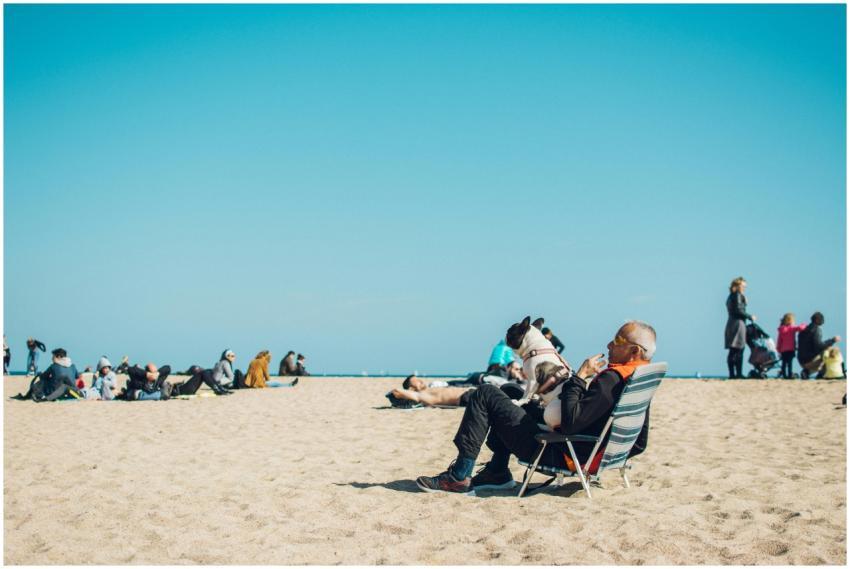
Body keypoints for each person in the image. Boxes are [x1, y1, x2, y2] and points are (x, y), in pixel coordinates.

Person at [415, 321, 656, 495]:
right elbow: (640, 442)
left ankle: (458, 476)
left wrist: (580, 377)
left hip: (560, 450)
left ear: (634, 350)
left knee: (485, 393)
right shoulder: (639, 377)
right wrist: (612, 453)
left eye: (618, 341)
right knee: (510, 392)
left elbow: (571, 422)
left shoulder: (610, 380)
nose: (609, 344)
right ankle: (498, 472)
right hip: (585, 449)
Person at [13, 348, 83, 402]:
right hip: (71, 391)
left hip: (54, 392)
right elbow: (77, 377)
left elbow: (43, 377)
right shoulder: (73, 366)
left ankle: (27, 397)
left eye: (53, 356)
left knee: (42, 382)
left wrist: (40, 374)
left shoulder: (54, 366)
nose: (52, 358)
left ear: (58, 357)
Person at [725, 277, 755, 379]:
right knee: (739, 349)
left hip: (731, 322)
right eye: (743, 286)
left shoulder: (730, 296)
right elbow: (738, 310)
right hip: (738, 323)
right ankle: (738, 373)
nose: (744, 288)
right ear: (737, 286)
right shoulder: (737, 295)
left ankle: (732, 374)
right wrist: (750, 316)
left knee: (733, 349)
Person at [797, 312, 841, 379]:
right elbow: (819, 346)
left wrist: (829, 341)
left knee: (824, 350)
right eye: (822, 319)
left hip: (801, 361)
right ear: (817, 320)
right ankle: (822, 374)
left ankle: (807, 372)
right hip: (810, 361)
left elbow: (815, 344)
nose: (823, 321)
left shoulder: (804, 330)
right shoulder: (816, 330)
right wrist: (833, 340)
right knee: (828, 352)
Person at [776, 313, 807, 379]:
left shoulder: (781, 329)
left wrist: (778, 349)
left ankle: (784, 375)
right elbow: (800, 328)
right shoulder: (792, 328)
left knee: (784, 363)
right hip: (790, 349)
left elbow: (779, 340)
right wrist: (804, 324)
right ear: (790, 321)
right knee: (790, 363)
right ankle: (789, 375)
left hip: (783, 349)